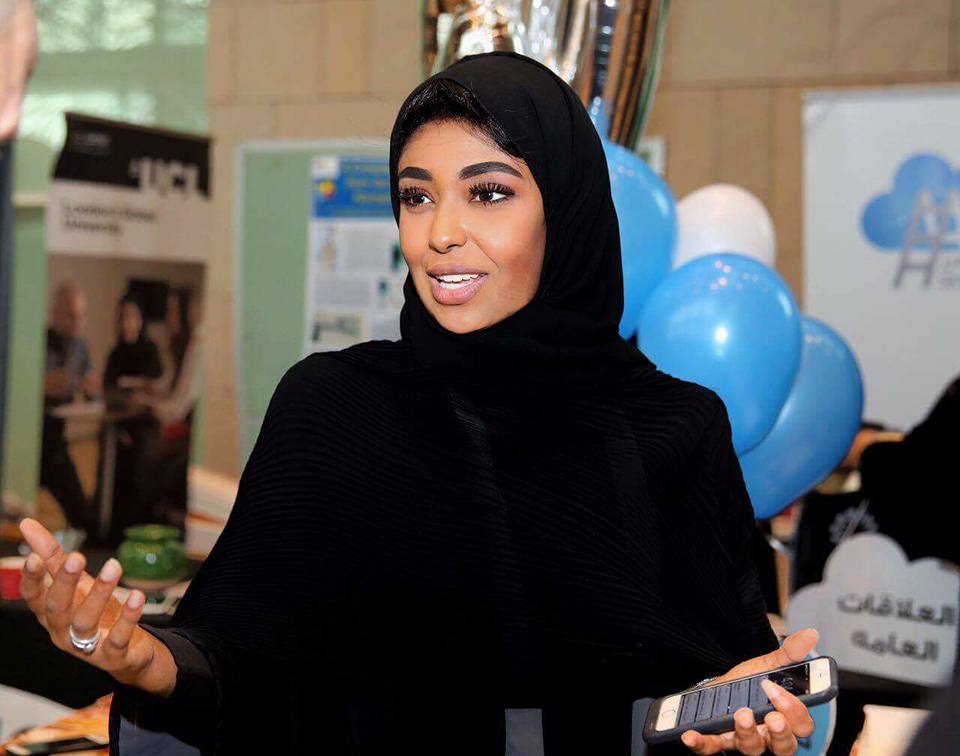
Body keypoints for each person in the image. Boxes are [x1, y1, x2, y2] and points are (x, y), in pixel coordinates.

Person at [18, 52, 819, 755]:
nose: (440, 234)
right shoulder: (336, 410)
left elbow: (723, 679)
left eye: (489, 193)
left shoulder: (672, 428)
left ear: (566, 209)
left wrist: (751, 722)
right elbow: (244, 665)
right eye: (416, 196)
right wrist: (140, 658)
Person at [98, 294, 164, 543]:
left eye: (132, 317)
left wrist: (134, 388)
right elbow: (108, 390)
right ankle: (110, 530)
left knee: (141, 469)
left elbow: (155, 388)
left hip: (144, 427)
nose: (128, 323)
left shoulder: (150, 350)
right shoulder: (116, 352)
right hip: (119, 424)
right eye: (123, 317)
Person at [39, 281, 100, 528]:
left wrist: (92, 389)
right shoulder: (38, 342)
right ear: (56, 314)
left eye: (82, 316)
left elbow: (92, 395)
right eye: (72, 316)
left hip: (56, 443)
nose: (78, 322)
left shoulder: (81, 346)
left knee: (81, 513)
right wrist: (40, 385)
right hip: (31, 439)